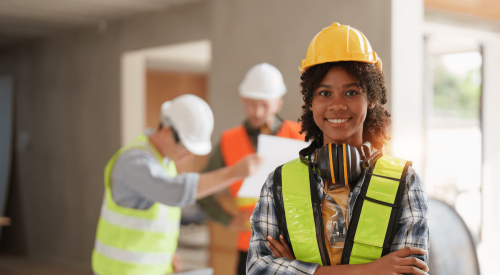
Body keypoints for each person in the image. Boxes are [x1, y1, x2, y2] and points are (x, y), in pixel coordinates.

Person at [247, 23, 429, 275]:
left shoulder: (404, 181)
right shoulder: (278, 183)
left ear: (372, 99)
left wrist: (295, 268)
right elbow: (259, 269)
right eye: (324, 93)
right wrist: (371, 270)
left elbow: (409, 272)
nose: (337, 105)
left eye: (351, 92)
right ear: (311, 102)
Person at [91, 94, 261, 275]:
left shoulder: (165, 163)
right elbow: (175, 192)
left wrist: (166, 255)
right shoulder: (134, 162)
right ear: (166, 131)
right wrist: (233, 172)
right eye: (185, 148)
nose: (188, 156)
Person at [198, 63, 304, 275]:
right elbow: (201, 190)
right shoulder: (229, 140)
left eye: (264, 105)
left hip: (293, 246)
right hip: (248, 246)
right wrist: (227, 220)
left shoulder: (300, 136)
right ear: (242, 100)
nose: (257, 112)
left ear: (278, 103)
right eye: (251, 104)